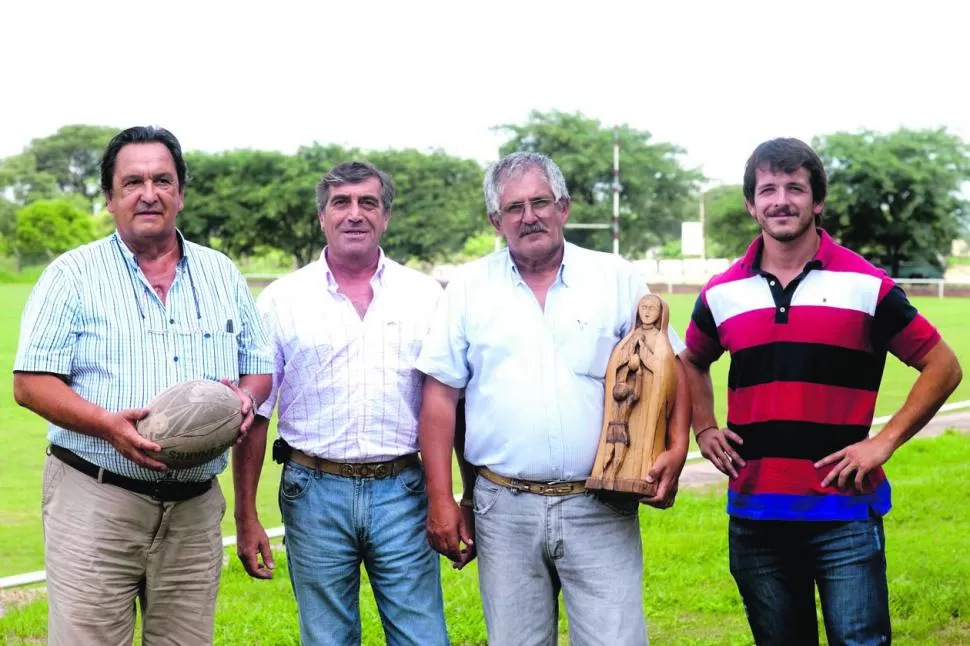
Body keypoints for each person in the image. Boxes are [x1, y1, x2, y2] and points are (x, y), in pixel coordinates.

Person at [679, 137, 963, 645]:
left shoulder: (865, 284)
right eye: (767, 189)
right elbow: (692, 360)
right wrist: (704, 425)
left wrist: (885, 442)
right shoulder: (721, 293)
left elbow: (942, 365)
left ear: (818, 200)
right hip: (755, 512)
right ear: (751, 204)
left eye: (795, 187)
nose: (781, 200)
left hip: (844, 511)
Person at [416, 152, 691, 645]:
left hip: (601, 505)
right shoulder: (467, 289)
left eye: (540, 201)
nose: (529, 216)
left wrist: (674, 448)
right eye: (514, 207)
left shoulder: (615, 278)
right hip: (503, 506)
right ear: (495, 221)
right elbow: (439, 400)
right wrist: (442, 498)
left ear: (563, 207)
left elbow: (672, 369)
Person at [12, 126, 274, 645]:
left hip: (195, 505)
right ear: (109, 198)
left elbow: (258, 366)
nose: (148, 193)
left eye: (162, 179)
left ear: (180, 192)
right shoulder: (71, 275)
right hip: (96, 496)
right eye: (132, 182)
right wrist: (106, 425)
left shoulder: (221, 273)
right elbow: (30, 384)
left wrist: (246, 398)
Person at [233, 161, 450, 646]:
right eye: (341, 203)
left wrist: (455, 498)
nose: (355, 214)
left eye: (367, 203)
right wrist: (246, 516)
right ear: (322, 217)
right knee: (328, 637)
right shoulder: (281, 300)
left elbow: (449, 405)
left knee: (423, 636)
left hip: (403, 491)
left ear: (386, 216)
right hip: (313, 492)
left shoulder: (426, 297)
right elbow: (255, 416)